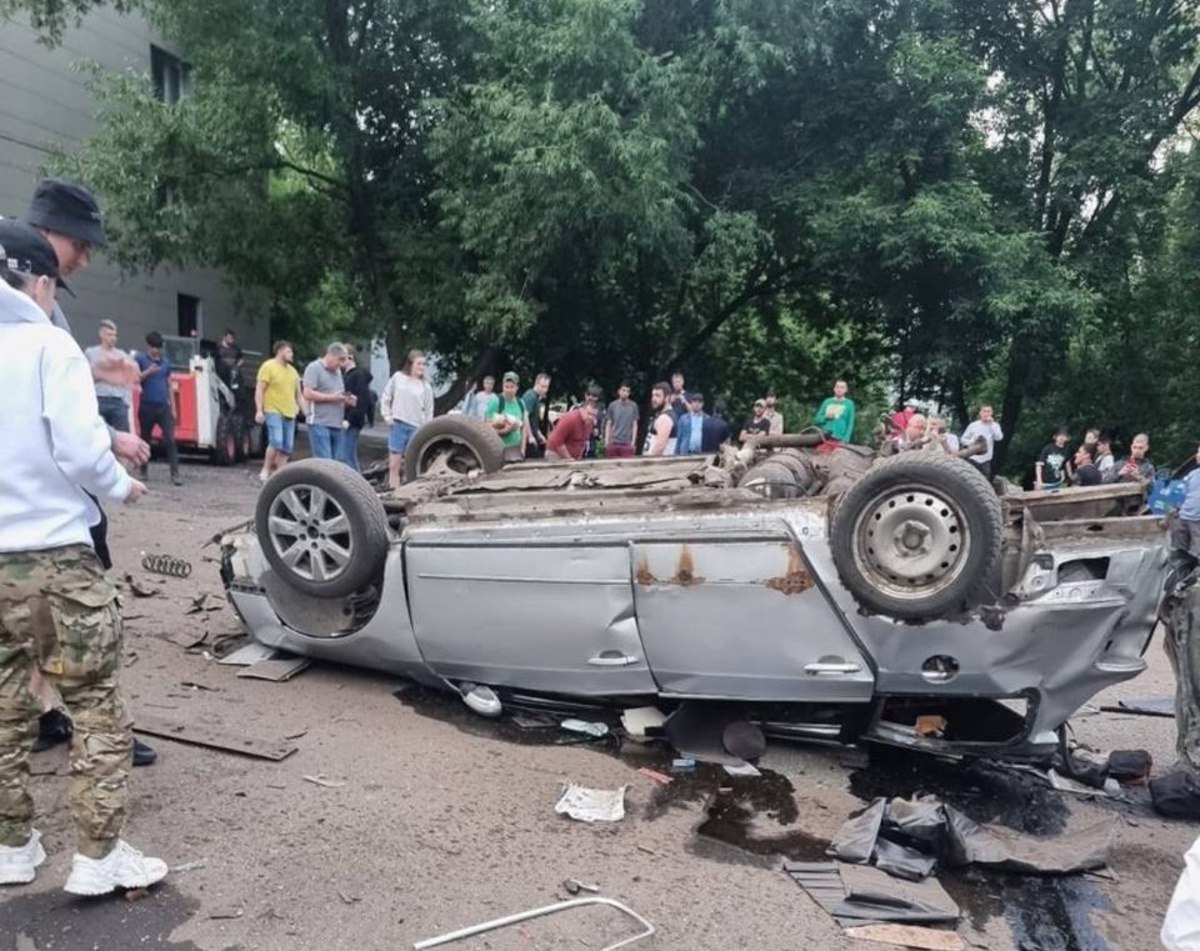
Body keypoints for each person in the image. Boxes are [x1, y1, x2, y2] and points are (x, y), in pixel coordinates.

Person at [0, 220, 167, 894]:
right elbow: (74, 446)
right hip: (59, 557)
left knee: (7, 706)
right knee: (95, 700)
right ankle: (99, 855)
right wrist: (119, 483)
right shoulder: (49, 345)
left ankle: (11, 843)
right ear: (39, 280)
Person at [22, 181, 156, 768]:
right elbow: (57, 431)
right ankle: (92, 725)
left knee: (31, 624)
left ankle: (45, 714)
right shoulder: (32, 315)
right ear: (50, 235)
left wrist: (109, 435)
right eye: (82, 243)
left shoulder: (45, 305)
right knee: (81, 624)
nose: (86, 256)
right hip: (48, 511)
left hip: (38, 502)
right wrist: (118, 480)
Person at [380, 349, 435, 488]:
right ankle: (394, 488)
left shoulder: (425, 386)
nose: (421, 367)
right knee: (394, 463)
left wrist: (427, 429)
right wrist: (387, 416)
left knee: (412, 464)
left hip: (416, 427)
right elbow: (386, 397)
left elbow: (429, 410)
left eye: (424, 364)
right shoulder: (398, 378)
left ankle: (410, 490)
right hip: (398, 424)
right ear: (410, 364)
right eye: (419, 364)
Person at [135, 332, 182, 486]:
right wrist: (148, 372)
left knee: (170, 439)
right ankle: (143, 470)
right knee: (145, 438)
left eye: (158, 347)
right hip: (147, 404)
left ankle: (175, 473)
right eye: (154, 347)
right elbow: (136, 378)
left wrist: (173, 407)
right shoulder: (140, 359)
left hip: (163, 406)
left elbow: (169, 385)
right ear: (148, 346)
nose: (156, 350)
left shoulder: (166, 363)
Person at [254, 340, 304, 482]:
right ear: (280, 351)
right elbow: (260, 389)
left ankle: (279, 474)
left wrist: (306, 412)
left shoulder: (293, 372)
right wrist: (259, 410)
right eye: (289, 351)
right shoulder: (268, 367)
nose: (291, 354)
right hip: (273, 409)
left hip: (290, 412)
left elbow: (299, 395)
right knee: (276, 441)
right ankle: (265, 468)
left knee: (287, 446)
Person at [302, 342, 354, 461]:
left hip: (337, 423)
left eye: (344, 361)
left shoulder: (337, 371)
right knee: (325, 461)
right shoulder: (314, 368)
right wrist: (333, 398)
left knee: (339, 461)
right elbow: (307, 393)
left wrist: (346, 399)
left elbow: (338, 393)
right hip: (320, 422)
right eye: (339, 360)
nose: (341, 364)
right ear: (330, 355)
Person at [85, 320, 136, 432]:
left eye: (115, 335)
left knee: (122, 436)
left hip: (117, 401)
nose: (113, 338)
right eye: (109, 335)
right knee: (96, 435)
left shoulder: (121, 355)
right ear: (101, 334)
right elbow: (86, 377)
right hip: (99, 399)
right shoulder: (91, 353)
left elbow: (128, 379)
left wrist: (126, 402)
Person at [339, 344, 374, 472]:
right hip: (348, 420)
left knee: (346, 455)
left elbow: (362, 400)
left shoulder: (357, 376)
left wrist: (349, 419)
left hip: (351, 421)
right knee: (349, 455)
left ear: (350, 357)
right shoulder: (347, 376)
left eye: (342, 358)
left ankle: (355, 485)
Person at [486, 371, 529, 460]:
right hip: (499, 449)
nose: (509, 390)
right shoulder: (496, 401)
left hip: (515, 449)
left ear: (517, 387)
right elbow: (486, 427)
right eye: (506, 387)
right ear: (503, 386)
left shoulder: (521, 403)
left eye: (512, 387)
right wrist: (505, 430)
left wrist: (523, 450)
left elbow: (523, 428)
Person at [960, 405, 1004, 478]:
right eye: (984, 411)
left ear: (991, 413)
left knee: (984, 480)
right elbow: (963, 439)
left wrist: (992, 425)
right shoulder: (973, 425)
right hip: (972, 458)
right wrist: (971, 442)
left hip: (986, 460)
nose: (986, 414)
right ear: (980, 413)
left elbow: (999, 438)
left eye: (988, 411)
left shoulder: (995, 425)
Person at [603, 384, 638, 458]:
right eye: (623, 390)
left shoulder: (633, 406)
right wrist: (606, 441)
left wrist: (633, 442)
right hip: (613, 442)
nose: (625, 393)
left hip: (626, 443)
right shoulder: (612, 405)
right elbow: (609, 423)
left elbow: (634, 425)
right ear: (619, 391)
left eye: (628, 391)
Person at [521, 373, 551, 458]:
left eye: (546, 387)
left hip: (533, 437)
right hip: (527, 439)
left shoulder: (536, 398)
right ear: (536, 383)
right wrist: (530, 436)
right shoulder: (531, 396)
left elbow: (532, 420)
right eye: (542, 386)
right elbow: (525, 416)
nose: (545, 390)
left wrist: (538, 434)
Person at [644, 382, 677, 456]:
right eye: (653, 395)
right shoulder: (661, 415)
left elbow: (660, 446)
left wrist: (647, 463)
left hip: (656, 464)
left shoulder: (665, 418)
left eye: (657, 396)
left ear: (667, 398)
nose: (654, 399)